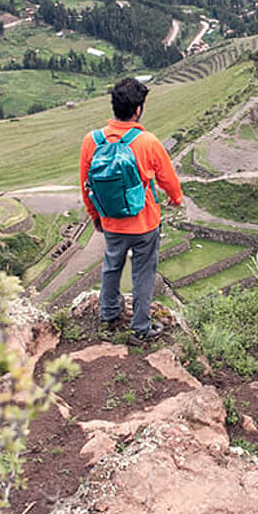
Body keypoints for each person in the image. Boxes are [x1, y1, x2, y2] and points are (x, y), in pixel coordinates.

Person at [79, 77, 183, 346]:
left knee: (111, 266)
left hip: (111, 221)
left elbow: (85, 184)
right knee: (144, 272)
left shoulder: (91, 141)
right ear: (137, 110)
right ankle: (140, 327)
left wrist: (95, 216)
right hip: (145, 222)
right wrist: (176, 198)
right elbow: (168, 179)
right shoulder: (147, 141)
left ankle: (110, 315)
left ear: (113, 105)